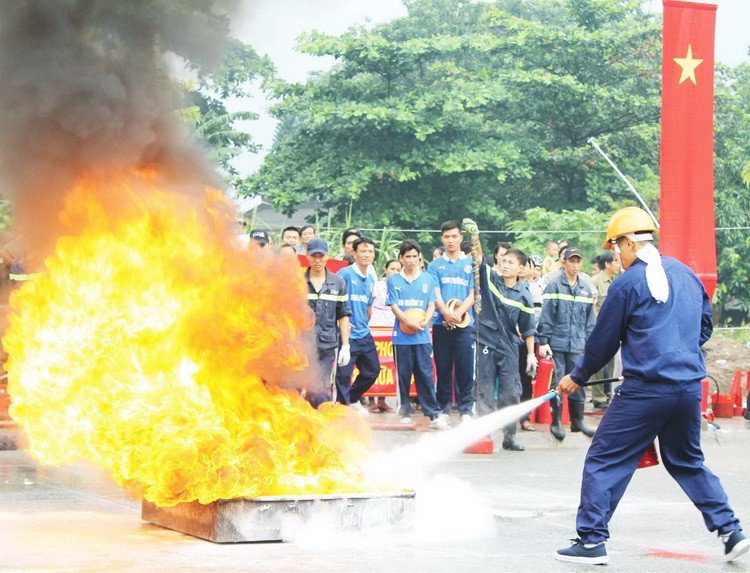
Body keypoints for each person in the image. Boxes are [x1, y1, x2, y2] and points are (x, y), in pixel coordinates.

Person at [555, 206, 749, 565]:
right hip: (688, 388)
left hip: (646, 391)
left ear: (629, 243)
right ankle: (731, 531)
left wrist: (577, 376)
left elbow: (603, 341)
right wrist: (676, 348)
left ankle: (592, 540)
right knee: (687, 461)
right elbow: (703, 329)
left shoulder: (626, 284)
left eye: (616, 247)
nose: (615, 256)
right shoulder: (687, 275)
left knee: (605, 458)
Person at [464, 219, 536, 450]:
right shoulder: (490, 280)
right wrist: (476, 236)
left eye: (511, 262)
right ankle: (485, 436)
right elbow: (479, 260)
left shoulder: (524, 296)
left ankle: (510, 435)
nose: (505, 265)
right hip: (485, 340)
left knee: (511, 392)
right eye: (503, 261)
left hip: (508, 347)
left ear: (521, 268)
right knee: (483, 389)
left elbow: (528, 328)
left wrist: (532, 354)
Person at [388, 240, 448, 430]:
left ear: (419, 258)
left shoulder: (428, 279)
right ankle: (404, 409)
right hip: (401, 336)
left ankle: (432, 413)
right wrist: (406, 321)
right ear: (401, 258)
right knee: (404, 374)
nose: (411, 260)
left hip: (422, 336)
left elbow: (431, 304)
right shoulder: (394, 280)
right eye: (407, 256)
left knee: (425, 374)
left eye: (414, 256)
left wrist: (425, 321)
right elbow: (394, 305)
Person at [538, 246, 596, 440]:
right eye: (571, 261)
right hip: (557, 343)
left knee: (578, 380)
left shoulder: (585, 289)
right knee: (557, 382)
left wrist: (590, 343)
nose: (575, 265)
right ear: (563, 263)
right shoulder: (554, 286)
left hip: (578, 344)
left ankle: (578, 421)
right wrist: (544, 340)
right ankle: (556, 421)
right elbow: (546, 316)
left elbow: (590, 321)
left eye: (578, 261)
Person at [427, 220, 475, 423]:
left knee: (465, 368)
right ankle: (443, 409)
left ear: (461, 238)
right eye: (447, 237)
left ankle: (466, 410)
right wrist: (446, 313)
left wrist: (459, 313)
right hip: (441, 324)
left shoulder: (470, 264)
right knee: (443, 367)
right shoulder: (435, 265)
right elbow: (434, 291)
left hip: (465, 326)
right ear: (442, 239)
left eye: (454, 236)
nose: (451, 240)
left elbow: (474, 293)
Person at [334, 237, 380, 415]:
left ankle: (352, 398)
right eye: (363, 251)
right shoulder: (344, 274)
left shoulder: (370, 279)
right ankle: (342, 411)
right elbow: (335, 302)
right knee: (343, 375)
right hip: (347, 335)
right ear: (354, 253)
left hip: (364, 334)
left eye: (370, 251)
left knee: (372, 371)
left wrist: (364, 322)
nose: (367, 255)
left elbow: (368, 307)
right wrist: (341, 324)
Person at [304, 238, 351, 407]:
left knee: (320, 391)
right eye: (313, 256)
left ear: (327, 257)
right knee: (293, 390)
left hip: (326, 346)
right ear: (307, 256)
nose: (317, 260)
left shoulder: (338, 282)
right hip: (301, 347)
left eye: (321, 256)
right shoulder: (298, 282)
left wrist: (346, 345)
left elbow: (343, 314)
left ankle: (319, 427)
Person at [588, 250, 622, 409]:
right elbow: (591, 307)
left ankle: (608, 394)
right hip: (598, 329)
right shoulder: (594, 282)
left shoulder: (618, 281)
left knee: (612, 363)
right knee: (597, 365)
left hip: (614, 329)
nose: (618, 265)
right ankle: (598, 397)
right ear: (607, 264)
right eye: (615, 261)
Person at [368, 258, 402, 413]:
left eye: (397, 269)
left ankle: (382, 400)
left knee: (387, 366)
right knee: (372, 365)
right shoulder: (376, 286)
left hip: (392, 331)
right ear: (386, 270)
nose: (395, 272)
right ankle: (370, 400)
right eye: (392, 269)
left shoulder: (402, 286)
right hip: (375, 330)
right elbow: (368, 306)